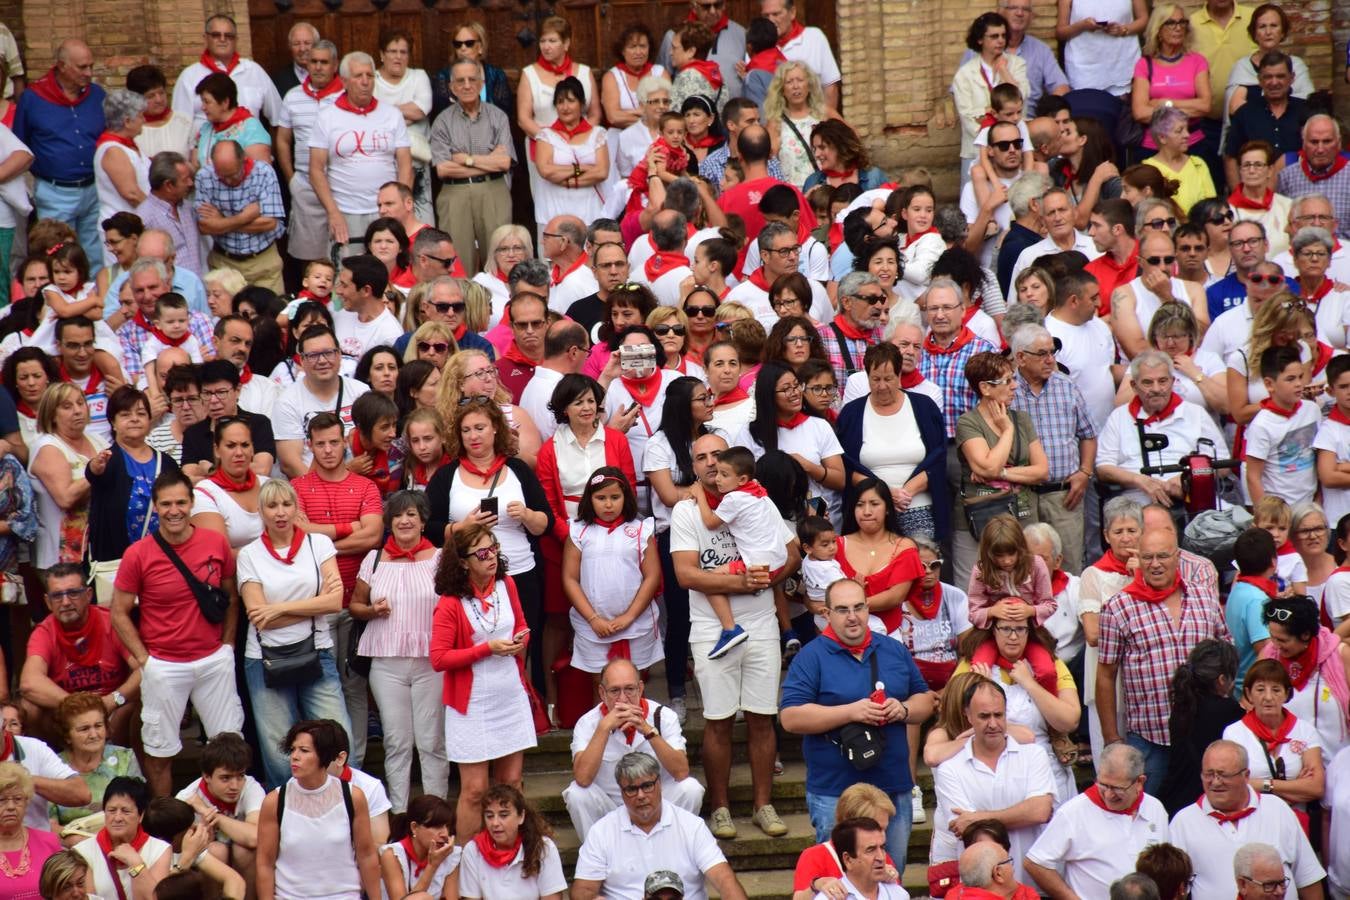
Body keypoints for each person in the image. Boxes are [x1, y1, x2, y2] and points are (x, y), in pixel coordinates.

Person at [671, 432, 796, 840]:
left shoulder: (758, 498)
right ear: (694, 467)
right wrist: (742, 584)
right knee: (718, 720)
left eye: (718, 456)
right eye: (702, 457)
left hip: (761, 619)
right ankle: (721, 808)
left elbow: (793, 553)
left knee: (763, 717)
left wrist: (767, 578)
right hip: (711, 626)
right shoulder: (687, 511)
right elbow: (685, 574)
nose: (711, 463)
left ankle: (764, 805)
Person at [781, 576, 935, 867]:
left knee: (890, 877)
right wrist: (850, 712)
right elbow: (790, 717)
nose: (852, 617)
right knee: (839, 882)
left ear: (868, 609)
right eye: (842, 609)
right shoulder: (811, 657)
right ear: (826, 614)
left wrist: (902, 709)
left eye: (859, 607)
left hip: (893, 786)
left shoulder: (893, 649)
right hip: (835, 791)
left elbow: (925, 701)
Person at [110, 470, 244, 797]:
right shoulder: (138, 553)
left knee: (229, 747)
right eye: (166, 503)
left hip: (213, 660)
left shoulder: (215, 543)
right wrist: (145, 660)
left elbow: (231, 597)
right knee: (159, 752)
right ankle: (166, 827)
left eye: (181, 502)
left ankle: (226, 819)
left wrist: (227, 644)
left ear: (192, 503)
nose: (174, 510)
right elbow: (118, 612)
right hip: (164, 664)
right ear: (155, 507)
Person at [1096, 523, 1231, 795]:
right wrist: (1112, 738)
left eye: (1163, 556)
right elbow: (1105, 676)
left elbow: (1226, 651)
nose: (1155, 564)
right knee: (1142, 818)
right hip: (1149, 738)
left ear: (1178, 557)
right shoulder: (1118, 607)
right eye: (1147, 557)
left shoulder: (1204, 596)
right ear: (1138, 560)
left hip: (1202, 734)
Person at [429, 522, 539, 841]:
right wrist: (486, 649)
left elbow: (522, 625)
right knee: (475, 791)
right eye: (482, 553)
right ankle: (466, 860)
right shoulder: (450, 602)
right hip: (472, 703)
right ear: (463, 561)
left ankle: (509, 850)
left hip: (509, 695)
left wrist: (521, 640)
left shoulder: (507, 584)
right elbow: (439, 659)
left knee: (511, 784)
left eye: (494, 548)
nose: (491, 557)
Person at [235, 479, 347, 790]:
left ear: (297, 508)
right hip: (264, 659)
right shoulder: (249, 555)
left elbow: (336, 602)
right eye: (272, 506)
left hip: (317, 650)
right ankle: (286, 818)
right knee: (278, 752)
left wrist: (277, 609)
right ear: (261, 511)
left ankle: (338, 807)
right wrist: (313, 605)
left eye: (287, 505)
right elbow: (259, 617)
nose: (280, 513)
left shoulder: (318, 544)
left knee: (336, 738)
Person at [346, 490, 447, 815]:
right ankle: (400, 816)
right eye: (398, 515)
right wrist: (372, 610)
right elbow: (355, 606)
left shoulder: (442, 558)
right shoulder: (373, 558)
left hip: (430, 661)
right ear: (389, 521)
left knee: (431, 742)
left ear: (422, 521)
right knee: (397, 742)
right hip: (386, 663)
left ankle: (436, 815)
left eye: (411, 515)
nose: (404, 521)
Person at [571, 752, 746, 900]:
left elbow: (724, 879)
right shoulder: (602, 831)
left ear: (660, 784)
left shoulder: (692, 826)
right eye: (631, 789)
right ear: (621, 792)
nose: (640, 795)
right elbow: (583, 893)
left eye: (647, 786)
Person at [930, 679, 1055, 885]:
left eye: (999, 715)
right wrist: (1020, 814)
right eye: (984, 716)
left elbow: (1039, 811)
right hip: (981, 888)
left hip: (1033, 885)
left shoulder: (1034, 755)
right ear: (968, 715)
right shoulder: (949, 768)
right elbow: (967, 829)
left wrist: (979, 816)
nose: (993, 724)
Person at [563, 657, 701, 840]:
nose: (623, 698)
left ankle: (671, 851)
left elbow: (681, 771)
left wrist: (647, 731)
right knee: (577, 794)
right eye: (614, 691)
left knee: (691, 788)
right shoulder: (587, 723)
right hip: (611, 809)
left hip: (657, 803)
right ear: (602, 693)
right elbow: (582, 778)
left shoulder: (664, 716)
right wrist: (603, 728)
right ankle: (599, 860)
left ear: (641, 688)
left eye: (629, 689)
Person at [1169, 740, 1324, 898]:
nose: (1215, 782)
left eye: (1223, 774)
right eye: (1209, 774)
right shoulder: (1183, 821)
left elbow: (1308, 878)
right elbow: (1173, 891)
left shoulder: (1277, 809)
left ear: (1246, 775)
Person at [254, 720, 384, 900]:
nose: (295, 756)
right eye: (293, 750)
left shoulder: (353, 797)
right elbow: (265, 864)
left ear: (327, 756)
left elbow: (367, 856)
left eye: (304, 750)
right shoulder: (275, 801)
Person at [1024, 742, 1169, 898]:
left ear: (1139, 782)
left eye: (1117, 788)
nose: (1108, 795)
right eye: (1103, 785)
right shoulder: (1074, 812)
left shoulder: (1155, 808)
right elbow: (1035, 862)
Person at [838, 342, 947, 541]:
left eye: (888, 379)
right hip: (870, 511)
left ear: (899, 376)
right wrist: (885, 493)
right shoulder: (852, 413)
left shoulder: (924, 407)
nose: (882, 386)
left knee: (923, 567)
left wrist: (905, 492)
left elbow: (939, 458)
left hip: (918, 505)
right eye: (875, 379)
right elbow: (845, 467)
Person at [20, 563, 139, 746]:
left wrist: (113, 699)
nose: (66, 602)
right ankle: (56, 762)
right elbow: (29, 683)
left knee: (145, 697)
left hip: (113, 707)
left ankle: (134, 768)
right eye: (57, 595)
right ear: (47, 602)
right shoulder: (44, 631)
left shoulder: (111, 621)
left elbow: (144, 668)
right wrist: (82, 706)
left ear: (88, 595)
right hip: (70, 714)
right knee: (29, 708)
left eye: (73, 593)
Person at [309, 52, 413, 260]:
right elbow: (315, 170)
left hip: (386, 211)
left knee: (391, 269)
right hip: (346, 211)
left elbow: (405, 165)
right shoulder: (327, 117)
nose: (365, 82)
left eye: (370, 75)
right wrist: (333, 212)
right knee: (349, 274)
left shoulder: (392, 114)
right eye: (358, 76)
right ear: (345, 81)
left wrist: (401, 209)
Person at [13, 41, 107, 270]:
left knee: (95, 255)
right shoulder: (33, 98)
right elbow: (20, 144)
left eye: (91, 66)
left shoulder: (97, 95)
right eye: (82, 67)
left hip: (93, 187)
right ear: (62, 66)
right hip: (55, 191)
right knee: (59, 257)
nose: (89, 73)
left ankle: (95, 302)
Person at [1096, 351, 1229, 507]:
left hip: (1191, 494)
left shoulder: (1196, 413)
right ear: (1134, 385)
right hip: (1136, 499)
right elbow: (1104, 468)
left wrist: (1188, 477)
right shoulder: (1119, 416)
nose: (1157, 388)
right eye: (1147, 382)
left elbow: (1223, 464)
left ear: (1172, 381)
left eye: (1163, 381)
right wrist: (1139, 480)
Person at [84, 387, 179, 591]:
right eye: (125, 414)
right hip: (118, 560)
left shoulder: (167, 462)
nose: (134, 419)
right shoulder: (107, 459)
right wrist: (95, 467)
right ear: (113, 422)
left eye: (141, 413)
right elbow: (93, 473)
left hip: (163, 559)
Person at [430, 59, 514, 276]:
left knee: (500, 255)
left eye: (472, 79)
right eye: (460, 81)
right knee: (457, 261)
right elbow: (443, 170)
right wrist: (489, 162)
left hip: (493, 190)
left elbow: (504, 163)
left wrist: (466, 160)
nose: (466, 85)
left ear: (481, 83)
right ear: (451, 87)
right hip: (454, 192)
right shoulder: (442, 121)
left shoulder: (498, 117)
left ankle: (499, 307)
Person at [1223, 658, 1325, 812]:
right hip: (1253, 819)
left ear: (1287, 694)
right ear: (1248, 694)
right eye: (1260, 689)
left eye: (1276, 690)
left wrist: (1262, 785)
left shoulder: (1305, 731)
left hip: (1296, 821)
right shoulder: (1234, 733)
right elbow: (1234, 785)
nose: (1268, 697)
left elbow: (1316, 787)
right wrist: (1296, 787)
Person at [1258, 594, 1350, 762]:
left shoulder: (1341, 656)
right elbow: (1252, 705)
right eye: (1272, 637)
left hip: (1339, 765)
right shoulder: (1268, 657)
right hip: (1290, 773)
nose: (1275, 645)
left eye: (1282, 640)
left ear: (1305, 635)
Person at [29, 383, 107, 570]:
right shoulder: (48, 447)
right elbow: (65, 498)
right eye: (67, 406)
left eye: (80, 403)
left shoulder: (98, 440)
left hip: (97, 549)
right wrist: (92, 473)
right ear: (52, 414)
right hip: (59, 557)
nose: (78, 410)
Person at [47, 691, 141, 840]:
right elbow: (49, 825)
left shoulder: (125, 758)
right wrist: (80, 842)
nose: (93, 734)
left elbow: (138, 811)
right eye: (84, 729)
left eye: (98, 726)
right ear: (67, 736)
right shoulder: (52, 766)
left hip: (121, 840)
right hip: (71, 846)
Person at [952, 13, 1029, 188]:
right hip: (976, 150)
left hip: (1012, 149)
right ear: (980, 39)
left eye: (1003, 35)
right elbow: (968, 118)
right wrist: (994, 142)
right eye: (994, 36)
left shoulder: (1017, 64)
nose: (1000, 40)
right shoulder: (965, 74)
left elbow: (1021, 99)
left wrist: (1004, 72)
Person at [457, 784, 565, 900]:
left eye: (503, 815)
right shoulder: (473, 850)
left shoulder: (543, 847)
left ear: (521, 816)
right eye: (489, 816)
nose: (495, 823)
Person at [1131, 4, 1212, 154]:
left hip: (1192, 144)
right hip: (1153, 147)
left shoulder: (1198, 61)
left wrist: (1165, 104)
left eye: (1182, 22)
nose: (1178, 27)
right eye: (1170, 23)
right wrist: (1188, 108)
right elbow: (1140, 112)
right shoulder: (1144, 64)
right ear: (1158, 30)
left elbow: (1205, 106)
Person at [71, 776, 169, 897]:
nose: (117, 818)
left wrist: (135, 863)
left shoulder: (160, 850)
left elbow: (156, 898)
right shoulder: (83, 851)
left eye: (126, 811)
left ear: (141, 815)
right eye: (111, 810)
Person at [1276, 116, 1350, 235]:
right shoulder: (1287, 177)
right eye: (1314, 142)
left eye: (1327, 141)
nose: (1320, 149)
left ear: (1339, 142)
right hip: (1300, 250)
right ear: (1303, 143)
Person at [93, 90, 149, 234]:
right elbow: (132, 194)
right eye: (141, 115)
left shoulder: (127, 145)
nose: (144, 120)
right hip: (121, 231)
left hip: (134, 225)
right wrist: (159, 214)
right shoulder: (113, 150)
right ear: (127, 121)